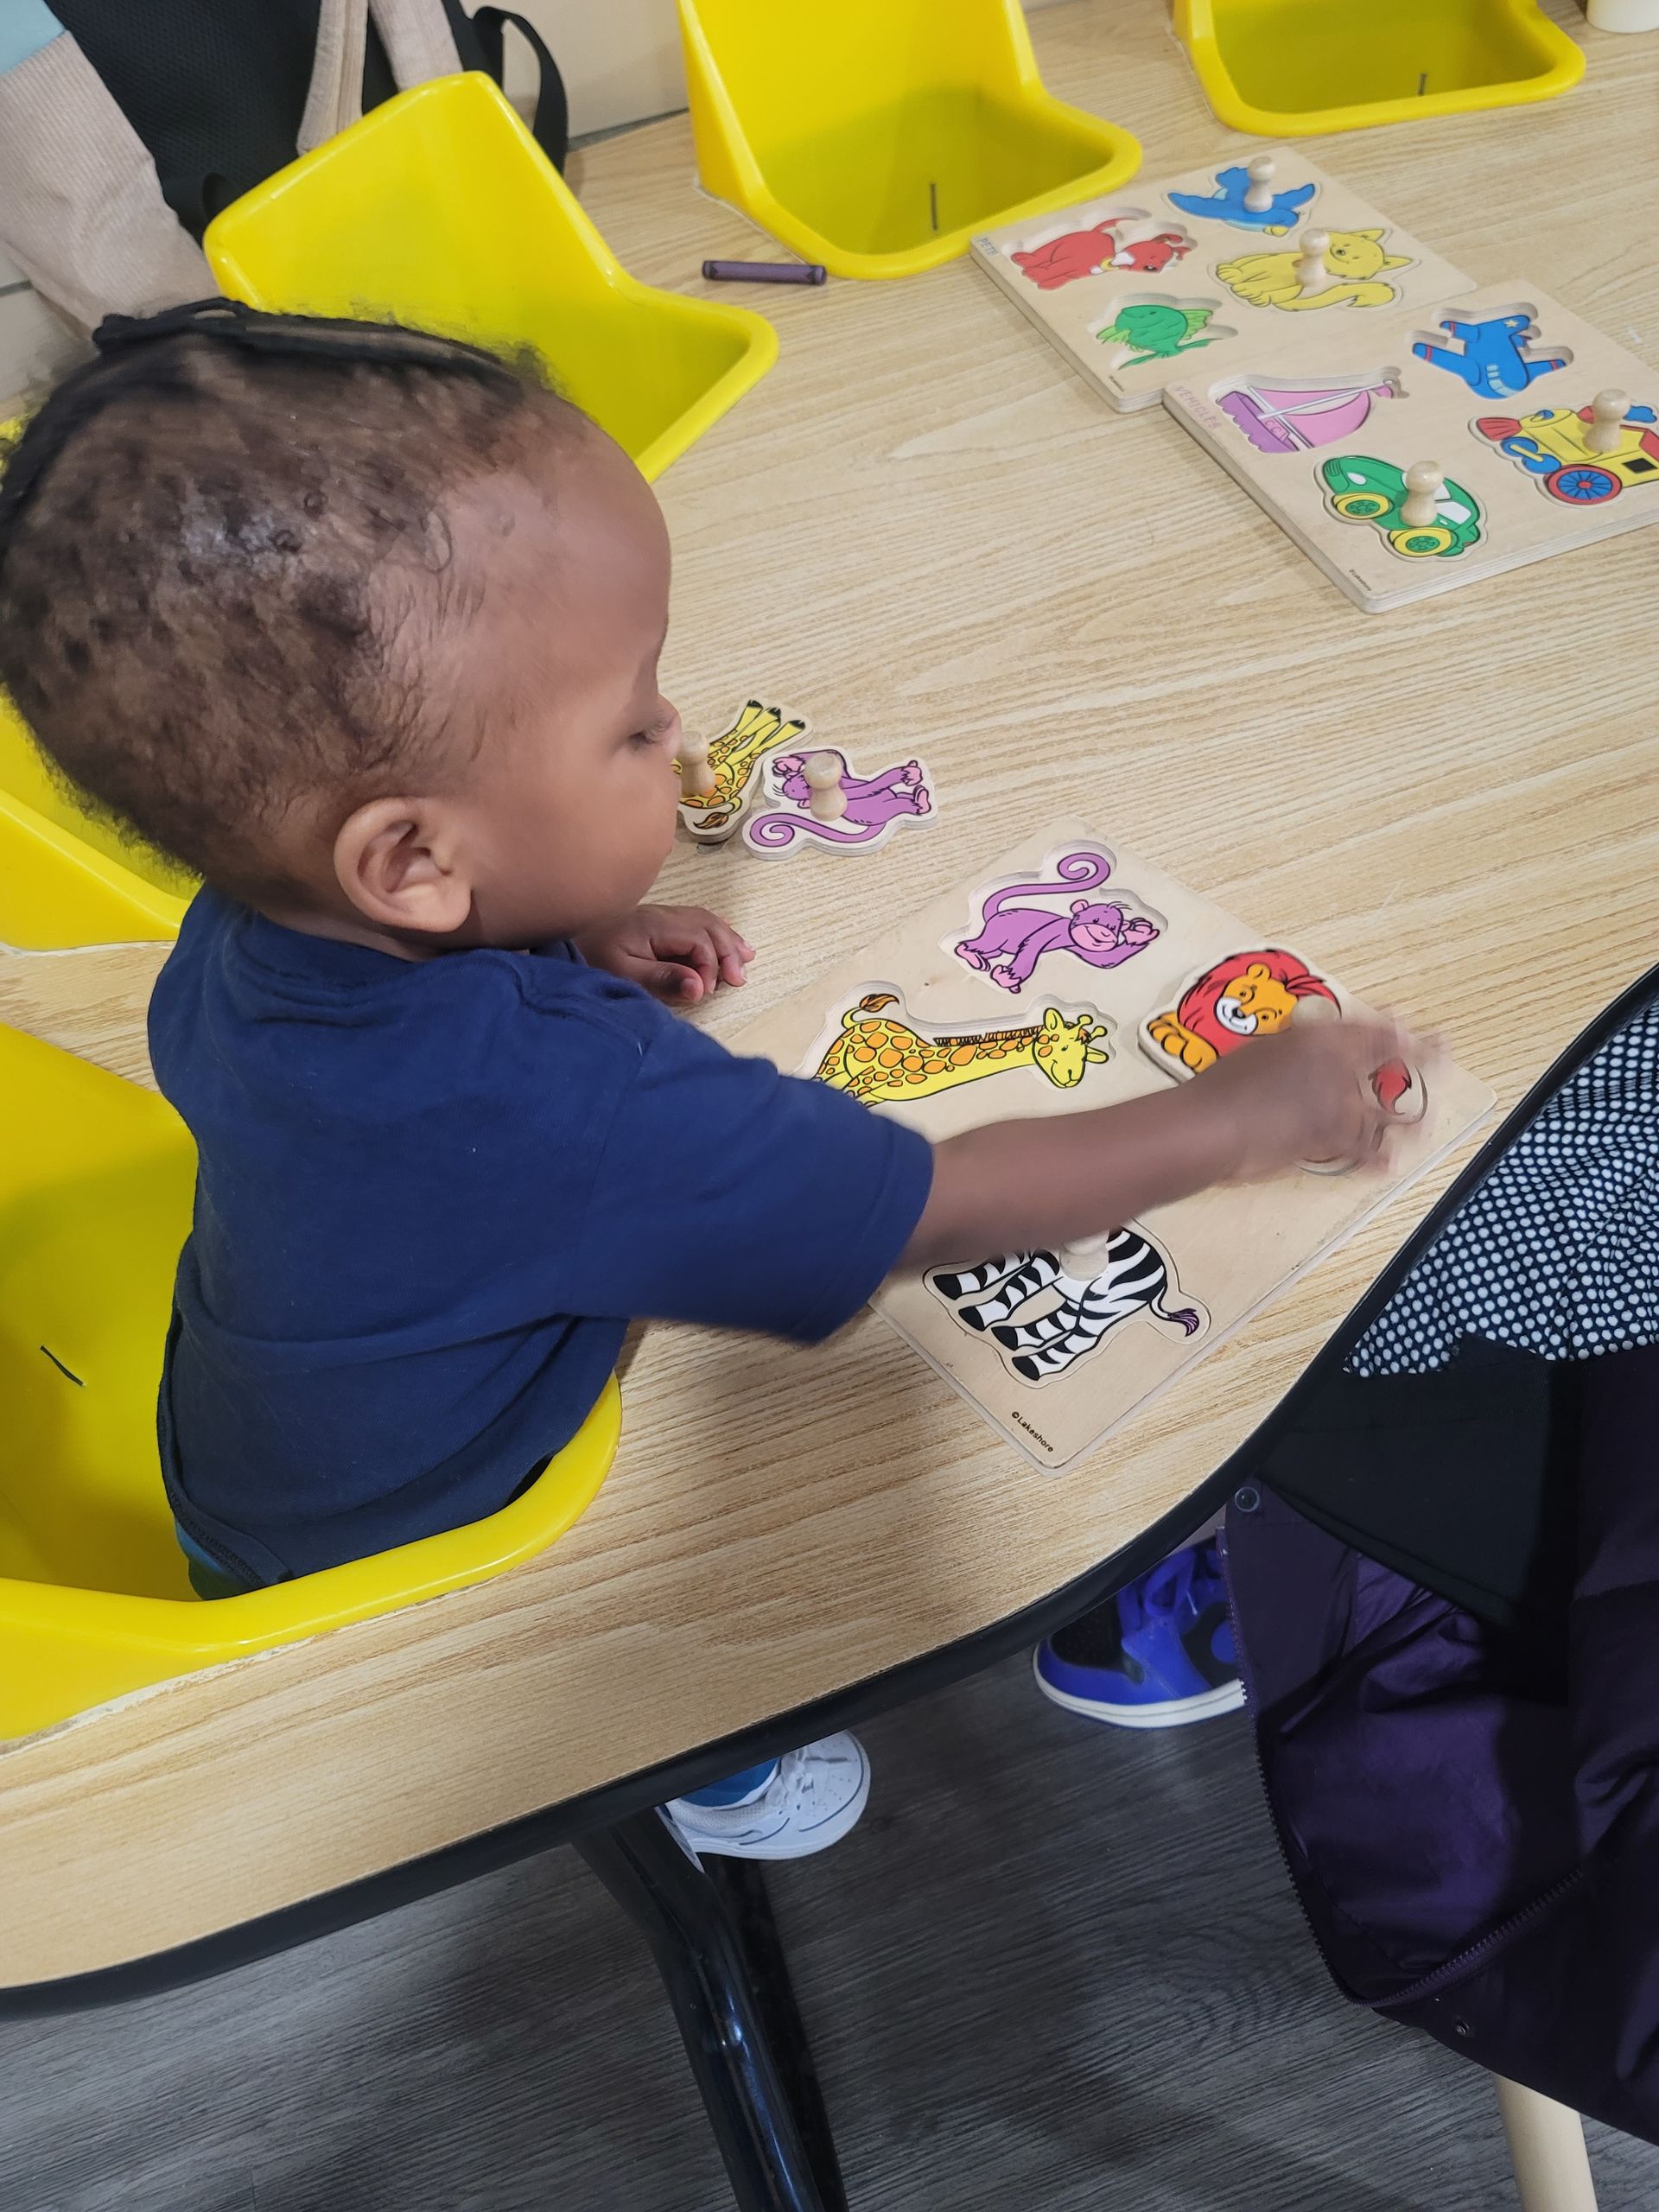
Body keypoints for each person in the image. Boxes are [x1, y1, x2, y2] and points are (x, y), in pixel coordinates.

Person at [0, 301, 1411, 1860]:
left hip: (257, 1455)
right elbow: (929, 1206)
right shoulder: (559, 1100)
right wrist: (1238, 1114)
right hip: (408, 1570)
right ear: (413, 861)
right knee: (806, 1531)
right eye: (634, 723)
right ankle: (674, 1765)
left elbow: (419, 1065)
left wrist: (565, 927)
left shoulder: (240, 927)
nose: (681, 741)